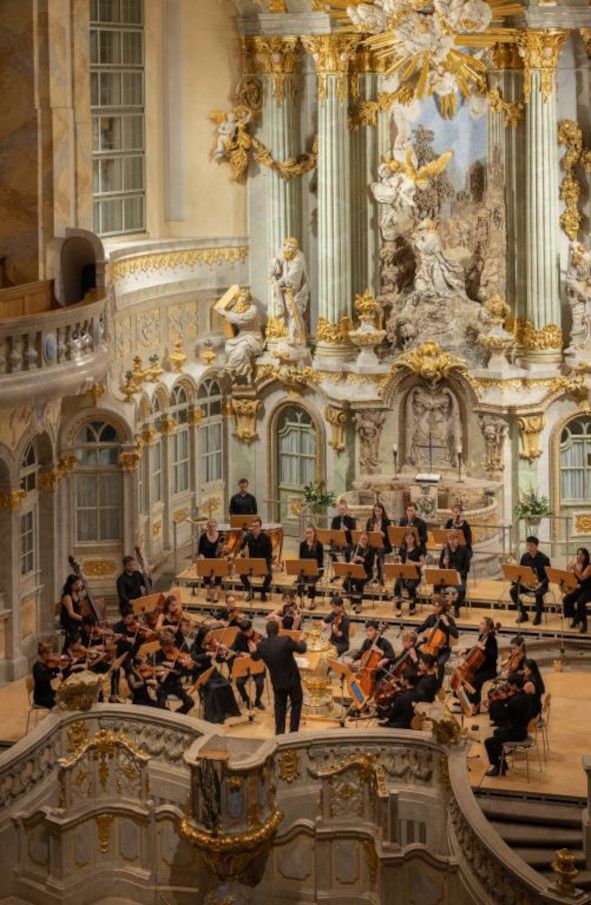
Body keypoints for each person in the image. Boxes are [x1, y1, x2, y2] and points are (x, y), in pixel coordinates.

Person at [251, 619, 307, 734]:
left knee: (280, 707)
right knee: (296, 704)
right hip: (293, 680)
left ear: (266, 632)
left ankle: (280, 733)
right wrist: (301, 640)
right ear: (278, 630)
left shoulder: (261, 646)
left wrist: (253, 650)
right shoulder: (285, 640)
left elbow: (254, 657)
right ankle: (293, 732)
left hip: (277, 682)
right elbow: (302, 649)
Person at [484, 673, 532, 776]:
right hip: (522, 729)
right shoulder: (524, 695)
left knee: (488, 742)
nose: (509, 687)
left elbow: (501, 717)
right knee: (497, 732)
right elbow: (510, 707)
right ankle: (502, 764)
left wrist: (493, 702)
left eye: (510, 685)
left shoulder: (515, 700)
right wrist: (505, 699)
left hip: (516, 733)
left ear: (514, 685)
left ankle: (497, 767)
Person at [189, 627, 241, 724]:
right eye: (208, 636)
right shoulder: (194, 645)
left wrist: (226, 656)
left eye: (211, 636)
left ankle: (225, 710)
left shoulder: (211, 645)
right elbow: (194, 658)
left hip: (211, 670)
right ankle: (214, 715)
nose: (210, 638)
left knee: (226, 684)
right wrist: (207, 654)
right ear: (202, 636)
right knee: (213, 688)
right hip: (200, 673)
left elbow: (218, 660)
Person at [378, 653, 438, 728]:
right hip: (418, 701)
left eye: (421, 663)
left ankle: (389, 719)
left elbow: (416, 695)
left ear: (427, 665)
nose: (418, 665)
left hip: (420, 707)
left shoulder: (425, 682)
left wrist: (401, 691)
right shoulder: (431, 676)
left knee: (383, 708)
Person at [417, 597, 459, 686]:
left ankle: (438, 685)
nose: (435, 608)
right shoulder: (431, 618)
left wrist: (447, 624)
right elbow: (423, 627)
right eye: (434, 606)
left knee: (440, 663)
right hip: (431, 648)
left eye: (438, 607)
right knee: (421, 658)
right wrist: (415, 631)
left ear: (443, 608)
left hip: (444, 650)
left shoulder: (449, 619)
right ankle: (423, 681)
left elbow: (455, 635)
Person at [509, 536, 550, 625]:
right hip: (528, 584)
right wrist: (517, 579)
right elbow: (521, 571)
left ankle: (538, 616)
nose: (529, 547)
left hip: (541, 585)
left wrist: (541, 583)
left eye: (531, 545)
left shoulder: (544, 559)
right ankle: (524, 614)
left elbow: (549, 576)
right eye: (527, 545)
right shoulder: (525, 556)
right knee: (513, 591)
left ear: (536, 546)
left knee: (538, 594)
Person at [462, 617, 498, 714]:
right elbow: (477, 650)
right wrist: (467, 650)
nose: (479, 625)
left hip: (489, 670)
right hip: (480, 668)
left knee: (474, 681)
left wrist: (484, 648)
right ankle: (470, 702)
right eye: (480, 623)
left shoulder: (492, 639)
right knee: (467, 679)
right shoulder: (482, 636)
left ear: (487, 627)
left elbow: (494, 656)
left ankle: (475, 706)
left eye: (482, 624)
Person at [154, 631, 195, 714]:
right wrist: (164, 664)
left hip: (175, 684)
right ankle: (167, 716)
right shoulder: (157, 654)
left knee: (190, 702)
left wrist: (186, 665)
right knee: (160, 705)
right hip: (162, 686)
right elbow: (152, 667)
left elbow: (185, 672)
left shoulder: (176, 654)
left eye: (172, 644)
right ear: (162, 645)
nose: (172, 647)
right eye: (169, 645)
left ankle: (177, 714)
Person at [231, 619, 266, 711]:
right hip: (245, 666)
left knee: (260, 683)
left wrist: (260, 647)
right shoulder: (239, 636)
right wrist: (240, 653)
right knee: (238, 682)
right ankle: (246, 698)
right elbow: (233, 649)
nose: (250, 632)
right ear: (243, 632)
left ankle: (258, 700)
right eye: (247, 632)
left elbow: (266, 651)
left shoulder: (259, 637)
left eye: (251, 630)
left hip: (257, 665)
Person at [351, 620, 395, 688]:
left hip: (381, 674)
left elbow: (392, 657)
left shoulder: (385, 643)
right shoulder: (366, 642)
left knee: (377, 688)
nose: (368, 633)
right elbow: (360, 653)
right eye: (367, 631)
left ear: (377, 631)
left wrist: (380, 651)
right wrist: (352, 659)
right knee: (354, 685)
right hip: (366, 672)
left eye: (370, 630)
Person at [435, 532, 470, 618]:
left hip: (459, 577)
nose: (452, 542)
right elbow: (440, 566)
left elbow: (466, 568)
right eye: (450, 540)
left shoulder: (464, 550)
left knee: (462, 591)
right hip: (446, 576)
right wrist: (443, 563)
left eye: (454, 539)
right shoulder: (445, 550)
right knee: (436, 586)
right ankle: (442, 607)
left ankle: (457, 608)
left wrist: (457, 575)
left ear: (458, 540)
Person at [239, 517, 273, 601]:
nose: (254, 528)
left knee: (269, 576)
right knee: (242, 575)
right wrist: (243, 553)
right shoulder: (247, 537)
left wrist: (263, 565)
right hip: (251, 563)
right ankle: (251, 591)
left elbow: (269, 555)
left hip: (263, 563)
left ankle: (263, 592)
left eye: (256, 526)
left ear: (260, 527)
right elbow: (242, 550)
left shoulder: (266, 538)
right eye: (252, 526)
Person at [393, 530, 423, 617]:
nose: (409, 540)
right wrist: (399, 562)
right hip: (403, 573)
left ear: (414, 539)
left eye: (411, 538)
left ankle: (412, 607)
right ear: (405, 539)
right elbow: (399, 560)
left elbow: (422, 563)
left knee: (410, 586)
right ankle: (398, 608)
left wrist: (413, 563)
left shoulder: (418, 549)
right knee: (397, 585)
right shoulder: (402, 548)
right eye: (407, 538)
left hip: (415, 574)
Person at [345, 530, 375, 613]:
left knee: (359, 581)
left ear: (368, 539)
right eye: (362, 538)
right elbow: (351, 559)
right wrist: (352, 561)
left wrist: (362, 559)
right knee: (346, 582)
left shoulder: (371, 549)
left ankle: (358, 603)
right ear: (360, 539)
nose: (363, 540)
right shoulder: (356, 547)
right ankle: (353, 600)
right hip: (356, 571)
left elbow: (371, 565)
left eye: (365, 539)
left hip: (367, 572)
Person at [563, 547, 591, 633]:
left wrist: (574, 568)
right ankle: (575, 618)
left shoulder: (589, 566)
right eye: (578, 554)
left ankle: (584, 624)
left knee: (580, 601)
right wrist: (568, 570)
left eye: (582, 554)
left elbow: (582, 577)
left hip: (589, 590)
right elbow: (572, 578)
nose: (579, 556)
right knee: (567, 599)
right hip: (579, 589)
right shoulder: (577, 565)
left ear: (586, 556)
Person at [197, 521, 226, 602]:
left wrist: (224, 550)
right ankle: (208, 593)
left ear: (216, 526)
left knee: (218, 576)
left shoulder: (221, 537)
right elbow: (200, 552)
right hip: (206, 560)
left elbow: (222, 553)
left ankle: (216, 593)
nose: (211, 528)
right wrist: (202, 558)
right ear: (207, 527)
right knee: (206, 576)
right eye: (210, 526)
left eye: (213, 526)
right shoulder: (203, 537)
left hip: (217, 560)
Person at [297, 524, 324, 607]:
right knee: (299, 577)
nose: (308, 535)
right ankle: (301, 599)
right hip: (305, 569)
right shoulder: (302, 544)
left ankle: (312, 601)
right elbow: (301, 559)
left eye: (310, 533)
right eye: (307, 533)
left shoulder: (319, 545)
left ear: (314, 533)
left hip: (317, 569)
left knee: (311, 578)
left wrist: (313, 568)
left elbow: (320, 561)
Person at [366, 502, 392, 584]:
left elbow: (389, 537)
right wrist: (373, 533)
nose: (377, 513)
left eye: (379, 511)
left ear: (382, 511)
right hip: (372, 543)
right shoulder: (370, 521)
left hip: (384, 544)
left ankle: (380, 578)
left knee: (380, 553)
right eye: (375, 511)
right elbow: (367, 534)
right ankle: (369, 576)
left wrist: (381, 533)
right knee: (366, 553)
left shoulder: (386, 522)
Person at [329, 499, 356, 570]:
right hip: (337, 542)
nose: (342, 511)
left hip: (348, 542)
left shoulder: (351, 520)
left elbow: (354, 535)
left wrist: (347, 530)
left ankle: (347, 570)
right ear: (338, 509)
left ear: (346, 509)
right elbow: (332, 532)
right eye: (340, 509)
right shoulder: (335, 519)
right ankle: (337, 572)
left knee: (347, 552)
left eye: (343, 509)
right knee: (332, 551)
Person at [32, 643, 60, 710]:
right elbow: (43, 679)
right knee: (60, 701)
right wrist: (54, 674)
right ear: (44, 654)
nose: (51, 655)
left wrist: (56, 663)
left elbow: (57, 671)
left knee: (63, 694)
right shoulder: (37, 667)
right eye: (50, 653)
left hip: (48, 692)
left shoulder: (46, 664)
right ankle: (56, 719)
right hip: (41, 697)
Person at [60, 574, 84, 649]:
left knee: (87, 625)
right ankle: (73, 645)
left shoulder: (75, 593)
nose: (78, 586)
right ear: (70, 585)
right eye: (76, 584)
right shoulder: (67, 596)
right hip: (68, 620)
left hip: (75, 618)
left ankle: (82, 646)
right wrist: (83, 618)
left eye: (78, 583)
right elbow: (71, 613)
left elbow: (78, 606)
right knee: (78, 626)